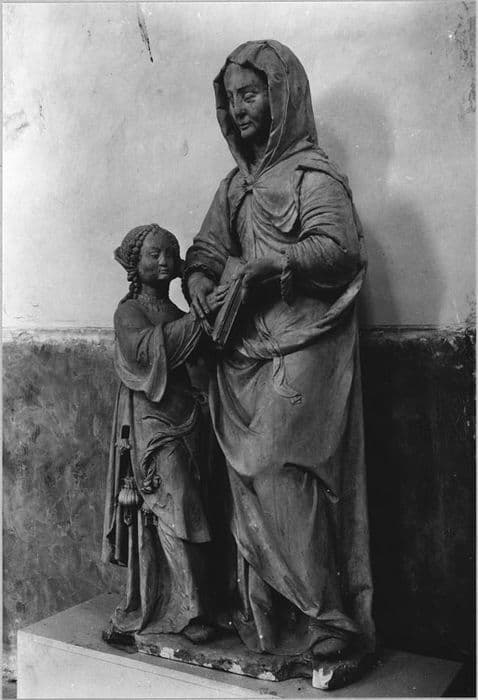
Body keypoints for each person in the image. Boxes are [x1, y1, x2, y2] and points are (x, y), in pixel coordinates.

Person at [184, 40, 375, 662]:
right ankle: (271, 617)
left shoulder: (313, 177)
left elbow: (340, 251)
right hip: (243, 356)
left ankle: (331, 618)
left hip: (305, 344)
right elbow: (204, 253)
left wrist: (269, 266)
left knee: (280, 468)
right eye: (231, 97)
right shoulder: (235, 187)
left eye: (251, 93)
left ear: (282, 96)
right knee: (248, 482)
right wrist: (200, 284)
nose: (240, 107)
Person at [102, 223, 225, 644]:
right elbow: (145, 351)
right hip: (152, 426)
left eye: (171, 253)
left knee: (197, 506)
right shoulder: (129, 312)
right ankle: (191, 610)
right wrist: (198, 321)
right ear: (134, 262)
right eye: (154, 254)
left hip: (192, 421)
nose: (164, 261)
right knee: (176, 506)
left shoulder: (176, 312)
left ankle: (197, 601)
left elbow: (204, 359)